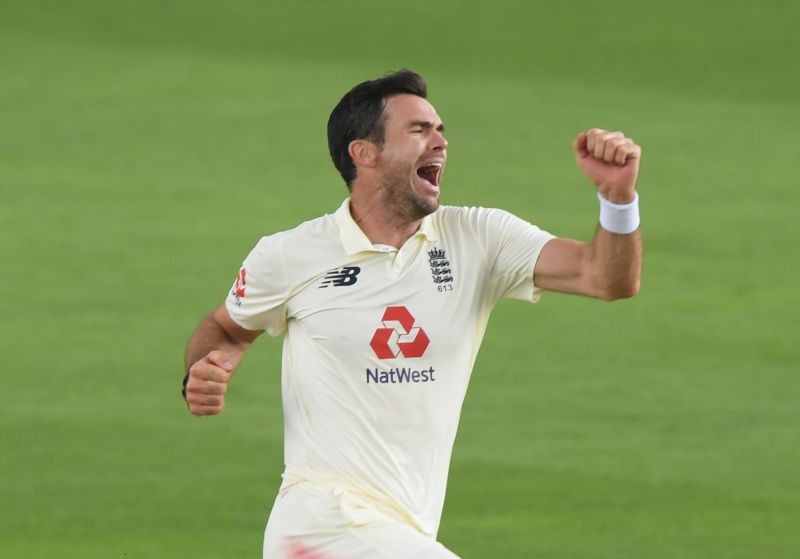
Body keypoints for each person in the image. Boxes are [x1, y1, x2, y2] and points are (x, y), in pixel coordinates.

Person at [182, 69, 642, 558]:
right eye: (420, 130)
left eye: (441, 129)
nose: (441, 142)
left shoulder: (478, 239)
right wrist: (205, 368)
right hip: (321, 522)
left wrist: (616, 200)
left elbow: (606, 278)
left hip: (404, 530)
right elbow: (226, 328)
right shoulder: (289, 254)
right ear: (365, 153)